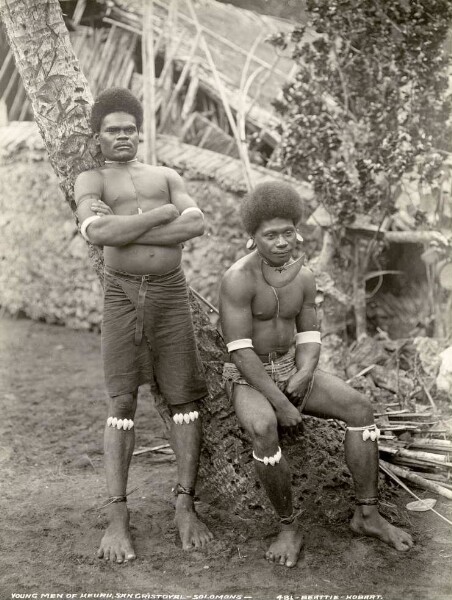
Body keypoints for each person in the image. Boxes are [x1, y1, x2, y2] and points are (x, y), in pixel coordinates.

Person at [219, 181, 413, 568]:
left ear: (298, 230)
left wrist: (306, 370)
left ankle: (367, 515)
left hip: (291, 367)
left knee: (360, 409)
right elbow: (240, 354)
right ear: (252, 237)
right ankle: (288, 526)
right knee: (263, 428)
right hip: (248, 376)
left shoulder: (303, 276)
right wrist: (280, 404)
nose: (280, 242)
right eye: (269, 235)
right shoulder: (237, 279)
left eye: (287, 232)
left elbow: (309, 336)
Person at [74, 87, 213, 563]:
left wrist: (130, 225)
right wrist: (159, 215)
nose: (122, 137)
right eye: (112, 131)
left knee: (184, 399)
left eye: (129, 130)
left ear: (139, 133)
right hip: (120, 294)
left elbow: (195, 223)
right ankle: (118, 516)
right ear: (98, 137)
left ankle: (184, 504)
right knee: (121, 399)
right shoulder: (90, 180)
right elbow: (99, 233)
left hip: (171, 292)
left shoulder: (166, 174)